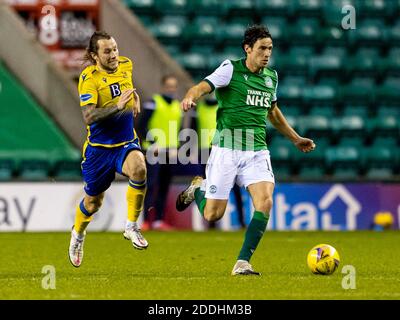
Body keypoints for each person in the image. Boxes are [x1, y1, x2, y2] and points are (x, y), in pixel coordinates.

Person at [176, 25, 316, 275]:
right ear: (247, 49)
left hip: (256, 151)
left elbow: (272, 112)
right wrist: (190, 97)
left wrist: (295, 138)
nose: (267, 53)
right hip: (226, 150)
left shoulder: (271, 77)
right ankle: (198, 188)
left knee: (265, 202)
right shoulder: (230, 69)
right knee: (212, 215)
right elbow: (201, 87)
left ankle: (243, 262)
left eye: (270, 48)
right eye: (262, 48)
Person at [69, 31, 148, 268]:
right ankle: (78, 235)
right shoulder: (89, 78)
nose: (114, 55)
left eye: (115, 48)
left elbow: (125, 89)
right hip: (99, 150)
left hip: (125, 142)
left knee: (139, 168)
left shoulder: (126, 65)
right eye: (107, 51)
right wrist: (118, 106)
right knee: (94, 203)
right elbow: (89, 115)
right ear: (95, 55)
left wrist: (135, 98)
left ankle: (131, 227)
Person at [137, 75, 182, 231]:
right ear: (163, 86)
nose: (171, 89)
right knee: (151, 185)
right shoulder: (153, 103)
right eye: (168, 86)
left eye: (173, 86)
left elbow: (179, 130)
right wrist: (153, 143)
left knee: (164, 186)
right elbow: (141, 126)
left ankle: (158, 220)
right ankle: (145, 221)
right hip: (154, 151)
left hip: (170, 152)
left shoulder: (177, 106)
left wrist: (178, 147)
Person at [196, 95, 246, 229]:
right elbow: (193, 129)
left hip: (226, 149)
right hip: (206, 152)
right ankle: (211, 223)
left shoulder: (226, 106)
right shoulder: (199, 108)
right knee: (210, 188)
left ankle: (241, 221)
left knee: (234, 187)